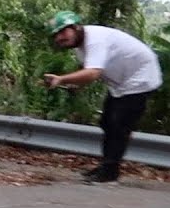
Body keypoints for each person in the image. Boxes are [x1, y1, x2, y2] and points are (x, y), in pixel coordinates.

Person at [42, 10, 161, 184]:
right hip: (122, 83)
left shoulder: (94, 40)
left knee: (119, 124)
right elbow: (90, 70)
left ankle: (110, 172)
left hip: (141, 77)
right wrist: (77, 84)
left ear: (76, 27)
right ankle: (107, 166)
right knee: (107, 121)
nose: (60, 38)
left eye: (63, 31)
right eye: (56, 35)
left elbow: (92, 73)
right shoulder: (80, 47)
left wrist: (61, 79)